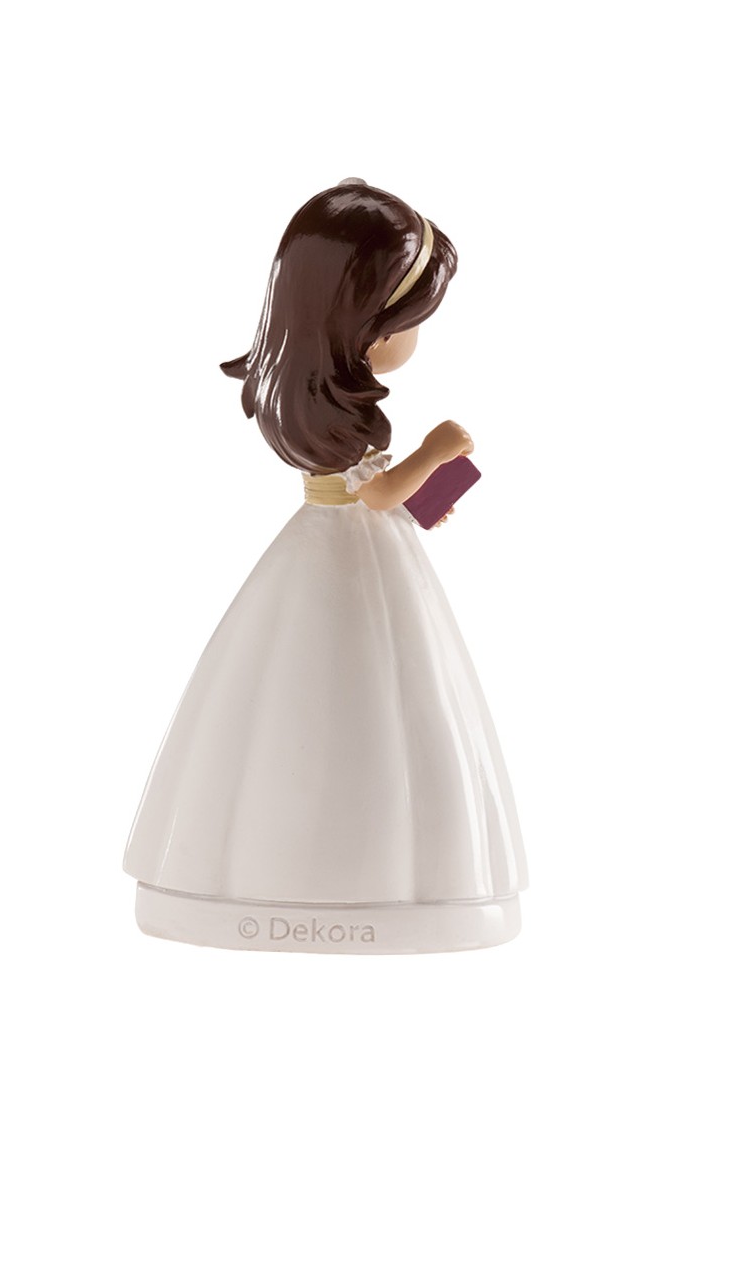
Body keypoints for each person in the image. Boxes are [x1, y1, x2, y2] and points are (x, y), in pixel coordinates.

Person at [123, 178, 528, 952]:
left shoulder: (328, 411)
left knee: (332, 692)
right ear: (364, 325)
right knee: (358, 694)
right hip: (348, 551)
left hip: (343, 546)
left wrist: (428, 492)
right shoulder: (344, 425)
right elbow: (376, 495)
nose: (414, 339)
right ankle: (355, 875)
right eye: (410, 323)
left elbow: (381, 499)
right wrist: (434, 452)